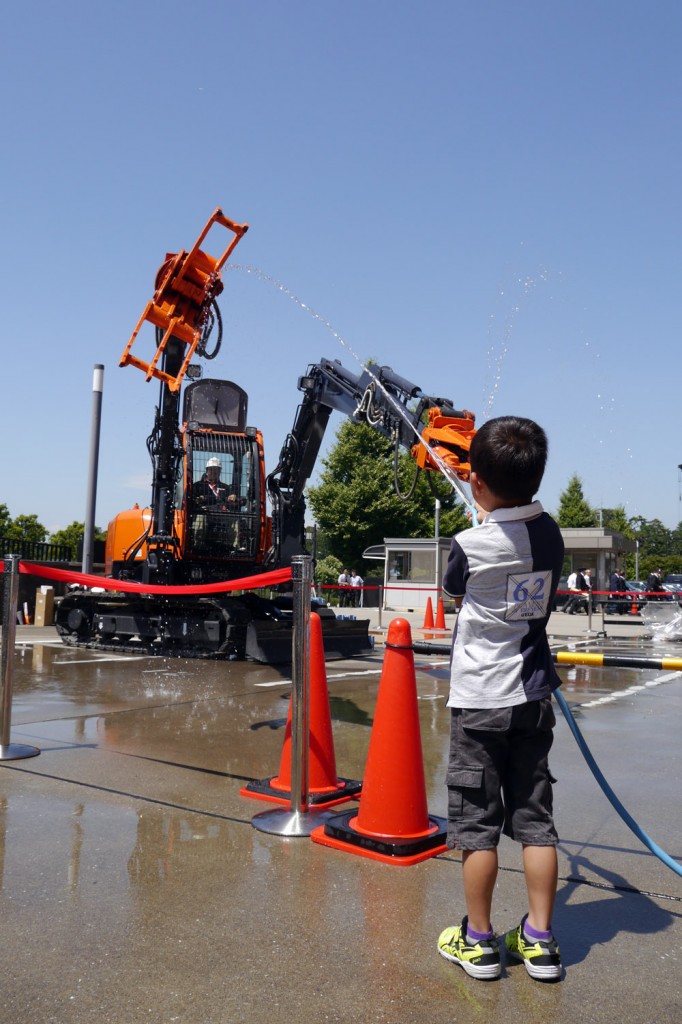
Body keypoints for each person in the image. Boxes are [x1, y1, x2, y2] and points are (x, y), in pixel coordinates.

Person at [437, 415, 563, 982]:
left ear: (477, 483)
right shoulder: (552, 534)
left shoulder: (469, 543)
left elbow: (454, 587)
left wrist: (481, 518)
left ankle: (480, 940)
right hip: (533, 696)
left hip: (481, 698)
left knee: (478, 827)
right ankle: (539, 940)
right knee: (536, 822)